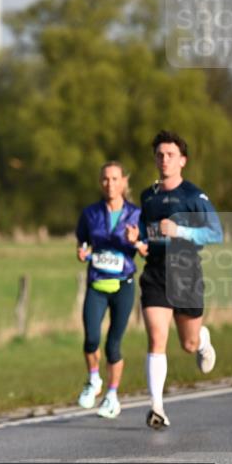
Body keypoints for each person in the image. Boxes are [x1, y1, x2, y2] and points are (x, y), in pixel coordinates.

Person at [126, 131, 222, 430]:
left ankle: (202, 340)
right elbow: (146, 233)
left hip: (186, 272)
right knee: (156, 337)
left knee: (188, 344)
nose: (164, 159)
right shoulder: (148, 196)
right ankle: (156, 406)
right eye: (159, 154)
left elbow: (216, 233)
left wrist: (181, 232)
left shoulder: (194, 196)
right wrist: (137, 240)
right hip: (155, 273)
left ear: (182, 160)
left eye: (170, 154)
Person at [74, 161, 144, 419]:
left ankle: (112, 396)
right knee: (91, 338)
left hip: (123, 285)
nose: (110, 184)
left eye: (115, 179)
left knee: (113, 345)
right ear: (100, 182)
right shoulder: (90, 214)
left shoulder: (136, 215)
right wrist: (82, 252)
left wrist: (137, 242)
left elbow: (147, 248)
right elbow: (82, 241)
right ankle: (94, 380)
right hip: (96, 284)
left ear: (124, 181)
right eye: (105, 179)